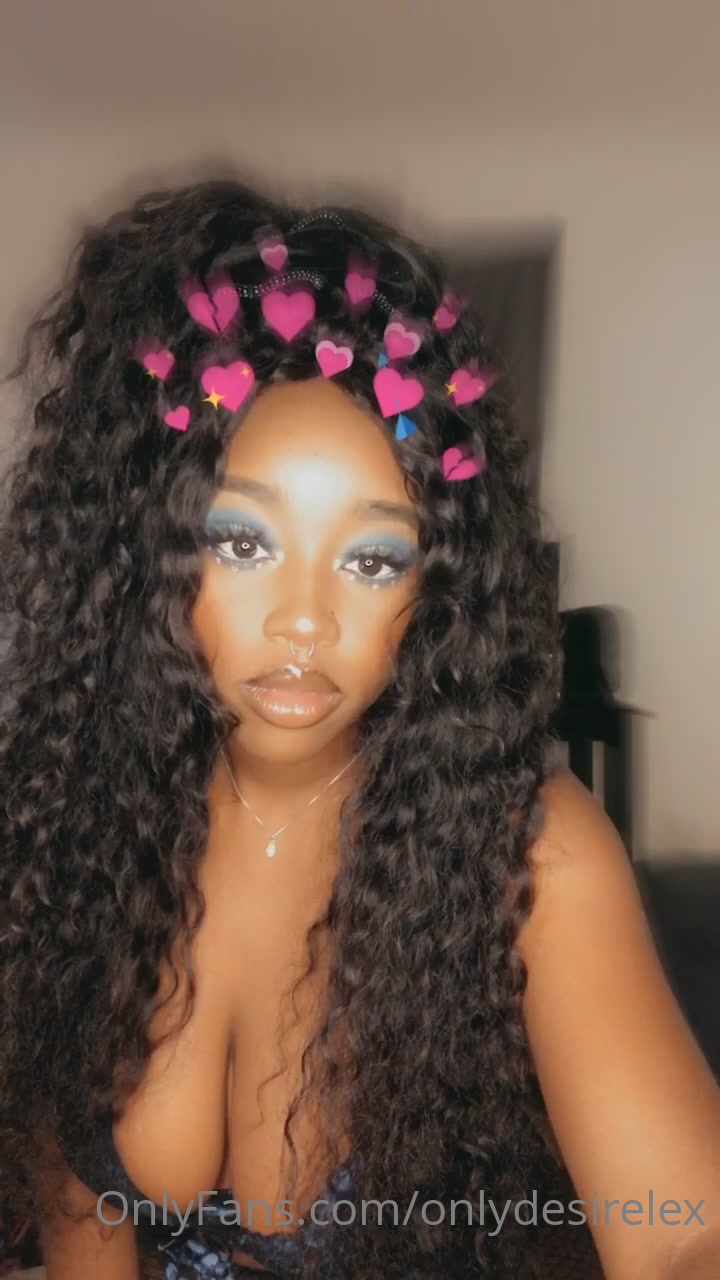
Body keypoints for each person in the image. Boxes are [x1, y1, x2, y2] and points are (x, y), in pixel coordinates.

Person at [0, 178, 718, 1280]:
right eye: (242, 542)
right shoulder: (76, 828)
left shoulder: (525, 855)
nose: (306, 618)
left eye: (373, 557)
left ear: (434, 590)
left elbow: (680, 1228)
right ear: (146, 547)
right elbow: (80, 1220)